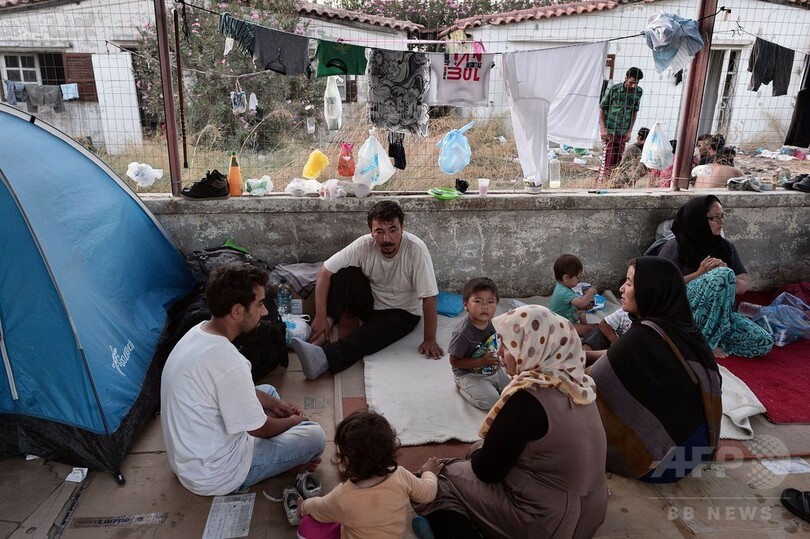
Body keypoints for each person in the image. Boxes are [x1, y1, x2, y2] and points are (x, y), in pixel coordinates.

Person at [413, 305, 608, 539]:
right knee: (480, 449)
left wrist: (475, 455)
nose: (499, 352)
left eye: (508, 346)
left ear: (532, 348)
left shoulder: (527, 399)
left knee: (439, 476)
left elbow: (486, 471)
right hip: (590, 516)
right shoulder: (580, 385)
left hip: (547, 524)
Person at [160, 264, 326, 496]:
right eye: (259, 304)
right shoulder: (228, 361)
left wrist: (276, 404)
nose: (265, 312)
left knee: (268, 392)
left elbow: (231, 388)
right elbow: (260, 428)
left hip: (188, 462)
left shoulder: (199, 331)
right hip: (215, 474)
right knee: (314, 437)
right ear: (237, 311)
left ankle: (283, 456)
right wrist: (294, 421)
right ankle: (282, 461)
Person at [589, 257, 723, 482]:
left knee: (565, 414)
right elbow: (615, 356)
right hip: (693, 453)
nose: (621, 289)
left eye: (629, 283)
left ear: (650, 290)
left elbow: (590, 382)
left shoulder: (642, 336)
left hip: (657, 464)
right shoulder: (685, 329)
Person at [291, 200, 443, 380]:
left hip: (402, 313)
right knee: (343, 272)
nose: (386, 239)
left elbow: (429, 298)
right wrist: (321, 316)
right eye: (379, 232)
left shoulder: (416, 250)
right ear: (371, 232)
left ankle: (323, 358)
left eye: (393, 230)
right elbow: (325, 272)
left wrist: (430, 339)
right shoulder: (364, 245)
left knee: (365, 337)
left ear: (402, 228)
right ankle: (327, 326)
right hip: (372, 303)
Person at [657, 196, 774, 358]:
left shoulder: (726, 247)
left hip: (722, 317)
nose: (721, 222)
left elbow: (742, 288)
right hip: (685, 313)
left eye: (722, 216)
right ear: (698, 220)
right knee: (722, 275)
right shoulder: (676, 246)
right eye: (715, 218)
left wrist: (727, 274)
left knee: (763, 341)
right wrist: (700, 273)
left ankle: (703, 338)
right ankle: (705, 342)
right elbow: (660, 286)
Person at [297, 411, 443, 538]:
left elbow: (317, 507)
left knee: (308, 524)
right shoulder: (401, 475)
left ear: (346, 460)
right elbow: (427, 493)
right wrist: (429, 472)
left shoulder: (342, 496)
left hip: (341, 513)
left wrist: (303, 506)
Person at [447, 277, 511, 410]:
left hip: (494, 369)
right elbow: (454, 362)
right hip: (469, 374)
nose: (485, 306)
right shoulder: (462, 333)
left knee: (515, 392)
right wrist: (482, 361)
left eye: (490, 302)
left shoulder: (494, 323)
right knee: (492, 402)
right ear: (466, 305)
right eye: (478, 301)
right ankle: (461, 388)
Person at [598, 67, 644, 183]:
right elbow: (602, 108)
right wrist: (603, 128)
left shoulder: (638, 92)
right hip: (610, 130)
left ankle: (612, 183)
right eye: (631, 82)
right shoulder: (614, 89)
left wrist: (629, 131)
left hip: (623, 132)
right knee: (608, 159)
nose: (633, 86)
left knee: (619, 160)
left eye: (636, 83)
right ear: (626, 78)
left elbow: (634, 112)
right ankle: (602, 184)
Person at [549, 254, 599, 337]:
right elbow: (581, 303)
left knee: (582, 312)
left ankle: (585, 325)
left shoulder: (563, 287)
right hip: (561, 324)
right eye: (578, 278)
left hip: (567, 314)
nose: (579, 281)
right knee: (589, 331)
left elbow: (578, 304)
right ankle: (585, 328)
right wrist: (590, 292)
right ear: (566, 278)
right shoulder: (563, 292)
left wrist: (585, 306)